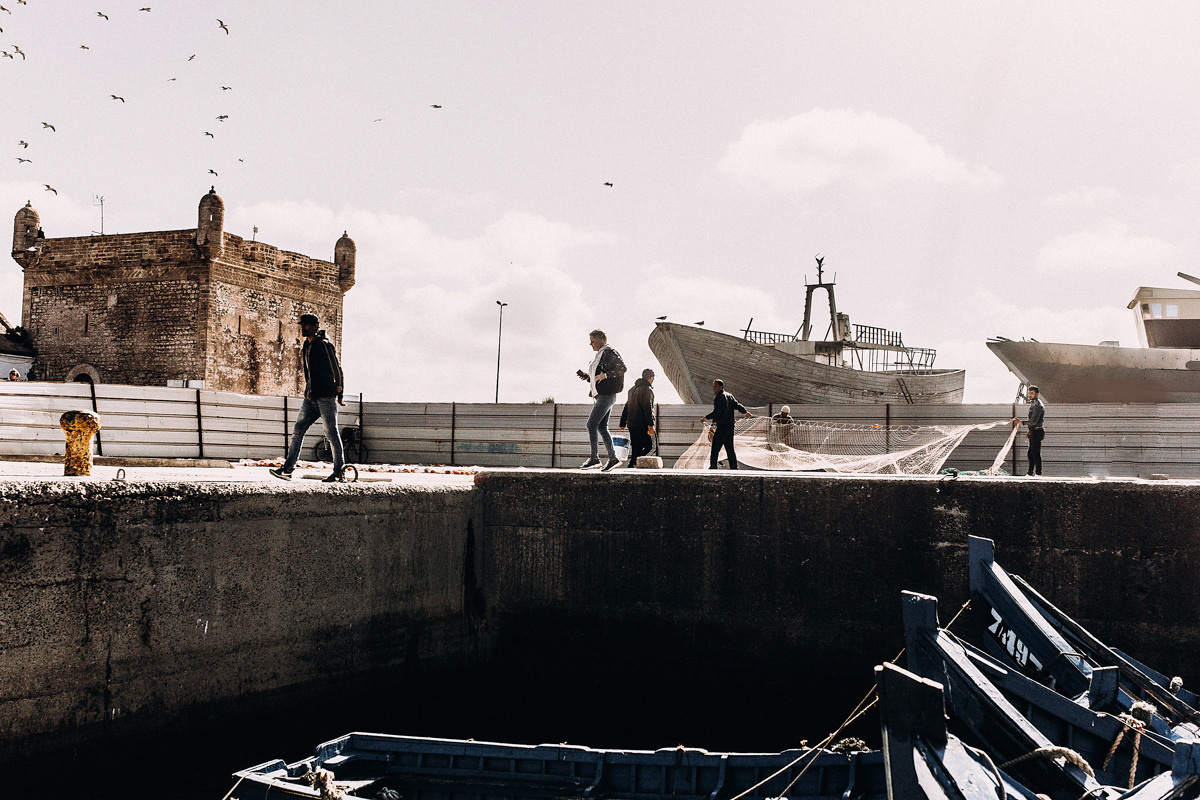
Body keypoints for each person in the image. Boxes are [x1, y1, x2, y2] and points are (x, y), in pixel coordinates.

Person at [270, 313, 347, 482]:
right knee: (298, 430)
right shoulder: (306, 345)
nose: (302, 328)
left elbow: (337, 369)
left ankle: (339, 472)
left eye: (305, 325)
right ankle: (287, 469)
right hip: (310, 397)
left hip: (326, 397)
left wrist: (340, 393)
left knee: (331, 433)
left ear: (314, 327)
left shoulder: (324, 344)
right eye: (301, 325)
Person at [577, 329, 626, 471]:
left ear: (600, 340)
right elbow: (598, 379)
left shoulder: (609, 352)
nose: (590, 344)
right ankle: (613, 459)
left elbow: (622, 368)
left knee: (591, 425)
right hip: (603, 395)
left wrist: (604, 375)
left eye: (592, 341)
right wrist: (588, 377)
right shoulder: (601, 355)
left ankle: (594, 459)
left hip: (606, 396)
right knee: (601, 427)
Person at [703, 379, 752, 469]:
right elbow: (737, 405)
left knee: (715, 448)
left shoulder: (718, 398)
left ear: (721, 387)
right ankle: (734, 468)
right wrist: (745, 412)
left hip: (722, 427)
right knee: (730, 449)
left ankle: (713, 466)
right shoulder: (730, 396)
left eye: (715, 386)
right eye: (713, 386)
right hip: (730, 427)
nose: (714, 388)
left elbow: (717, 412)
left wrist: (706, 417)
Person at [619, 368, 656, 465]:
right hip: (641, 423)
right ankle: (634, 462)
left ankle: (632, 465)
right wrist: (651, 424)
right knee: (649, 446)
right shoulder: (647, 390)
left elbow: (627, 406)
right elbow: (648, 407)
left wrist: (622, 422)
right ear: (651, 378)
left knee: (636, 447)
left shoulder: (632, 390)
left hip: (631, 423)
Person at [1012, 385, 1045, 476]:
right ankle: (1030, 473)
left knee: (1035, 453)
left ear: (1037, 394)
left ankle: (1038, 473)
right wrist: (1030, 431)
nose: (1030, 395)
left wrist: (1020, 422)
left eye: (1032, 393)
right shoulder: (1034, 403)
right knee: (1031, 453)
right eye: (1029, 393)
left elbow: (1033, 421)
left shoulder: (1037, 405)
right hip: (1034, 431)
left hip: (1037, 432)